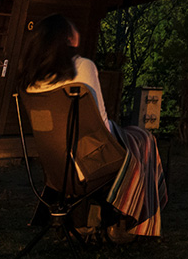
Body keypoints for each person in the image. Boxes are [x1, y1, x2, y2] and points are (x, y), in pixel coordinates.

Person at [21, 13, 168, 240]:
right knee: (144, 140)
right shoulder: (82, 67)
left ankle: (102, 218)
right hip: (89, 165)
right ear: (67, 39)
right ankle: (131, 221)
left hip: (55, 169)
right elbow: (101, 126)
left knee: (136, 138)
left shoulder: (32, 82)